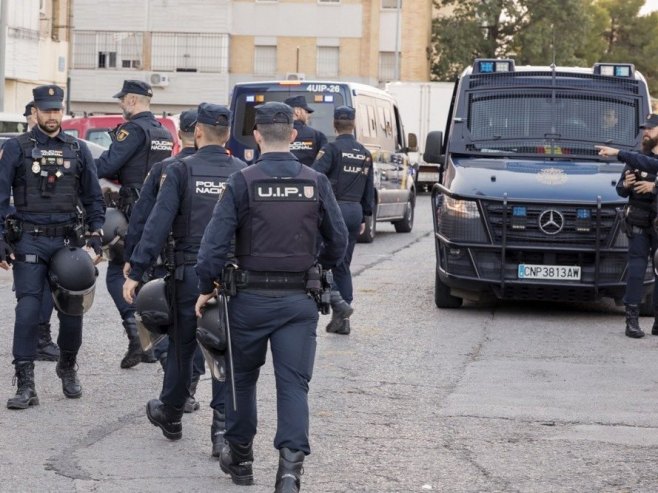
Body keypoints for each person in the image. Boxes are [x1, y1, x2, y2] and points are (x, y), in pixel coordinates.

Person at [194, 101, 348, 492]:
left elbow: (212, 248)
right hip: (299, 301)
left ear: (257, 136)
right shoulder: (315, 181)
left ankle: (241, 460)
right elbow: (339, 240)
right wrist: (320, 266)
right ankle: (290, 473)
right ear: (294, 136)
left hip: (247, 301)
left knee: (241, 381)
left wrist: (205, 288)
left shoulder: (243, 181)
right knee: (293, 386)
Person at [122, 103, 246, 449]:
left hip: (188, 273)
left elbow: (158, 224)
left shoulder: (179, 170)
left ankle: (172, 414)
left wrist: (137, 268)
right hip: (232, 275)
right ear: (227, 135)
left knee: (181, 346)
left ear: (199, 132)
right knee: (225, 349)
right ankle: (221, 432)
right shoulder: (241, 171)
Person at [0, 84, 105, 409]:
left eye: (56, 110)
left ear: (62, 112)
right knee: (28, 310)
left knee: (73, 313)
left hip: (66, 241)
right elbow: (1, 196)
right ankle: (26, 382)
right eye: (46, 110)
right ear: (35, 112)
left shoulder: (77, 148)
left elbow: (92, 196)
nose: (51, 116)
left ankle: (68, 367)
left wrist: (97, 231)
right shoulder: (17, 148)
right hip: (29, 239)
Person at [122, 108, 210, 418]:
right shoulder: (227, 169)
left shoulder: (165, 168)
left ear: (179, 134)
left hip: (167, 262)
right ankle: (189, 386)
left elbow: (144, 218)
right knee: (200, 330)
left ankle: (175, 386)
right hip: (208, 266)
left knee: (165, 324)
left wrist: (134, 261)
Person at [96, 80, 174, 369]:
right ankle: (148, 341)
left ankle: (140, 340)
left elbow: (106, 166)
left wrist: (78, 165)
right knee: (150, 274)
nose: (120, 105)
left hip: (133, 209)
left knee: (118, 272)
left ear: (131, 100)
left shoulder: (133, 130)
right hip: (159, 209)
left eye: (122, 100)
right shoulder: (163, 131)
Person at [312, 105, 374, 335]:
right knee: (343, 265)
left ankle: (340, 306)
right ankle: (343, 318)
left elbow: (315, 176)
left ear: (334, 124)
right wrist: (365, 216)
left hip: (333, 211)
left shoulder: (331, 149)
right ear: (354, 124)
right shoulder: (365, 153)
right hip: (355, 212)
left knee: (323, 260)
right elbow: (370, 189)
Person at [597, 113, 658, 338]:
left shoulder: (642, 159)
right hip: (639, 222)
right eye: (644, 129)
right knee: (636, 270)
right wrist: (626, 184)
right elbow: (621, 191)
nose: (646, 132)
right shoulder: (638, 158)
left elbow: (651, 164)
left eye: (651, 129)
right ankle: (631, 320)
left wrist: (653, 187)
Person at [21, 100, 60, 361]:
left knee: (52, 288)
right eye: (41, 112)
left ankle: (42, 336)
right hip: (25, 230)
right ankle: (36, 339)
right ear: (32, 116)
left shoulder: (67, 147)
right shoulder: (17, 147)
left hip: (57, 229)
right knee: (30, 294)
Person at [284, 95, 327, 166]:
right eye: (306, 112)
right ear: (297, 112)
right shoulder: (317, 136)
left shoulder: (276, 134)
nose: (308, 115)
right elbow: (323, 164)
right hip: (309, 176)